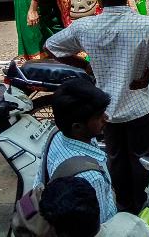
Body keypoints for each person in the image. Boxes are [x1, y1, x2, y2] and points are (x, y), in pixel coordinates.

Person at [45, 0, 149, 212]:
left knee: (115, 157)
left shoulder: (84, 27)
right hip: (141, 106)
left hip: (105, 111)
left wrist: (85, 64)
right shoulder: (147, 24)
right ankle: (145, 207)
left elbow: (51, 47)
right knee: (143, 159)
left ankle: (122, 204)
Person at [36, 79, 116, 223]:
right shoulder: (91, 177)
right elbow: (100, 225)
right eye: (99, 116)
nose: (106, 118)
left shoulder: (55, 134)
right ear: (77, 127)